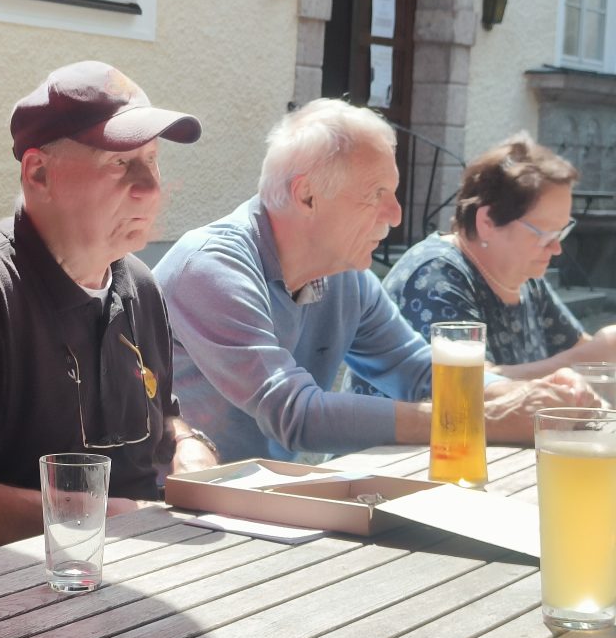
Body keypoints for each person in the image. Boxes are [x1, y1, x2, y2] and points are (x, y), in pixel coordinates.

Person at [153, 99, 596, 463]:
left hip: (264, 503)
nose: (397, 215)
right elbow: (296, 415)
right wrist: (474, 420)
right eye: (376, 195)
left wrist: (530, 396)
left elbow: (419, 370)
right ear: (306, 195)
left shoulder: (344, 275)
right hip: (175, 516)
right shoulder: (212, 266)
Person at [0, 60, 218, 551]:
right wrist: (114, 519)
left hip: (133, 565)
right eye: (119, 163)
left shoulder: (140, 287)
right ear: (39, 173)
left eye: (151, 160)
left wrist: (188, 445)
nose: (150, 188)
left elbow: (164, 420)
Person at [344, 132, 614, 395]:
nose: (556, 248)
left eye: (561, 232)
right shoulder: (433, 276)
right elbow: (465, 387)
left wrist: (597, 354)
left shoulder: (524, 277)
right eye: (544, 234)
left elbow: (583, 351)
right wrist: (583, 359)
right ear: (487, 222)